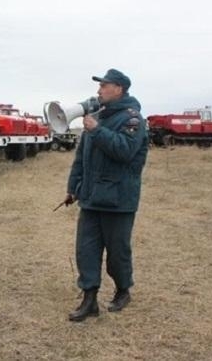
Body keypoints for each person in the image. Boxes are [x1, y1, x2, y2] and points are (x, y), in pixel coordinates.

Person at [63, 68, 148, 322]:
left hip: (118, 200)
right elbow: (81, 158)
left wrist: (97, 130)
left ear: (119, 89)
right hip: (91, 198)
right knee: (86, 250)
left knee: (117, 252)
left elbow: (124, 151)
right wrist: (72, 187)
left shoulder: (133, 120)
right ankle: (89, 300)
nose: (99, 90)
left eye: (105, 85)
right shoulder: (96, 117)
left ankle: (123, 290)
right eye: (100, 86)